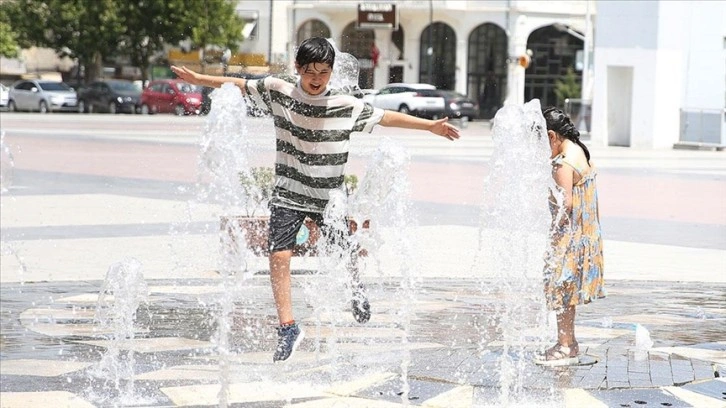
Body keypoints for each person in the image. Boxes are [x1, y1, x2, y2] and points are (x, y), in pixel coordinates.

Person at [171, 37, 460, 362]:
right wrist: (200, 80)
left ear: (332, 72)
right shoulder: (279, 90)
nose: (316, 79)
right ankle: (288, 327)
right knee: (278, 255)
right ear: (298, 69)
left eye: (324, 72)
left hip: (328, 197)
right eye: (310, 72)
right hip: (288, 193)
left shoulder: (345, 105)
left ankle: (354, 287)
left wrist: (430, 127)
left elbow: (386, 118)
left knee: (344, 250)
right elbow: (239, 83)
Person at [535, 106, 605, 366]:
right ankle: (569, 342)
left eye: (542, 142)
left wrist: (555, 237)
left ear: (552, 136)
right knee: (567, 291)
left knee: (561, 289)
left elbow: (566, 205)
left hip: (569, 236)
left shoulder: (563, 163)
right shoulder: (579, 150)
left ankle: (565, 345)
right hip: (586, 233)